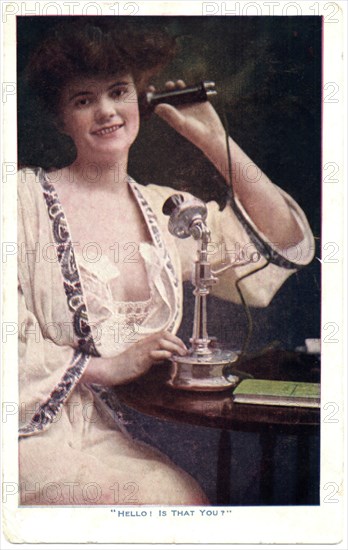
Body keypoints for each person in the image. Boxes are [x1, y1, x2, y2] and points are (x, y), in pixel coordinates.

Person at [17, 18, 314, 505]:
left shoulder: (168, 211)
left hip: (105, 430)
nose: (107, 112)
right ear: (61, 118)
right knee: (162, 502)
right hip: (23, 426)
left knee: (182, 497)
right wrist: (105, 368)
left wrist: (215, 141)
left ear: (141, 100)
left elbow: (276, 245)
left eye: (118, 92)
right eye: (83, 100)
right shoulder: (22, 199)